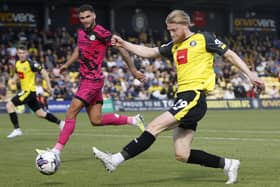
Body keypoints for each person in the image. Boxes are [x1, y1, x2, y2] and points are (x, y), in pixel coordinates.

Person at [92, 10, 265, 184]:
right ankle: (229, 164)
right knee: (182, 154)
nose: (171, 33)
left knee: (154, 126)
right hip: (183, 98)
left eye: (174, 30)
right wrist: (123, 44)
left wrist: (251, 75)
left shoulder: (204, 38)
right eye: (169, 30)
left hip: (194, 96)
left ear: (185, 25)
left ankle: (115, 160)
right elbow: (150, 52)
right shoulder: (174, 45)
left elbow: (229, 54)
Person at [36, 4, 145, 158]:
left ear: (94, 16)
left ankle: (55, 153)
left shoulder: (102, 33)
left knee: (70, 113)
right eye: (82, 18)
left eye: (88, 17)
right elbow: (78, 50)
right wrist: (67, 64)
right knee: (96, 119)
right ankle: (133, 120)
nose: (85, 20)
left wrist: (133, 70)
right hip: (87, 80)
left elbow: (121, 49)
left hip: (92, 81)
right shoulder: (81, 33)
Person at [6, 44, 64, 138]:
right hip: (28, 93)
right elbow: (18, 74)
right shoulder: (17, 64)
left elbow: (44, 72)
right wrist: (13, 79)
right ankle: (61, 123)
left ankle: (17, 129)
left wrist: (49, 87)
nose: (21, 55)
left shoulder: (31, 64)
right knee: (40, 113)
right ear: (17, 53)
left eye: (23, 53)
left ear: (27, 53)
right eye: (19, 53)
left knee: (9, 105)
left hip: (28, 92)